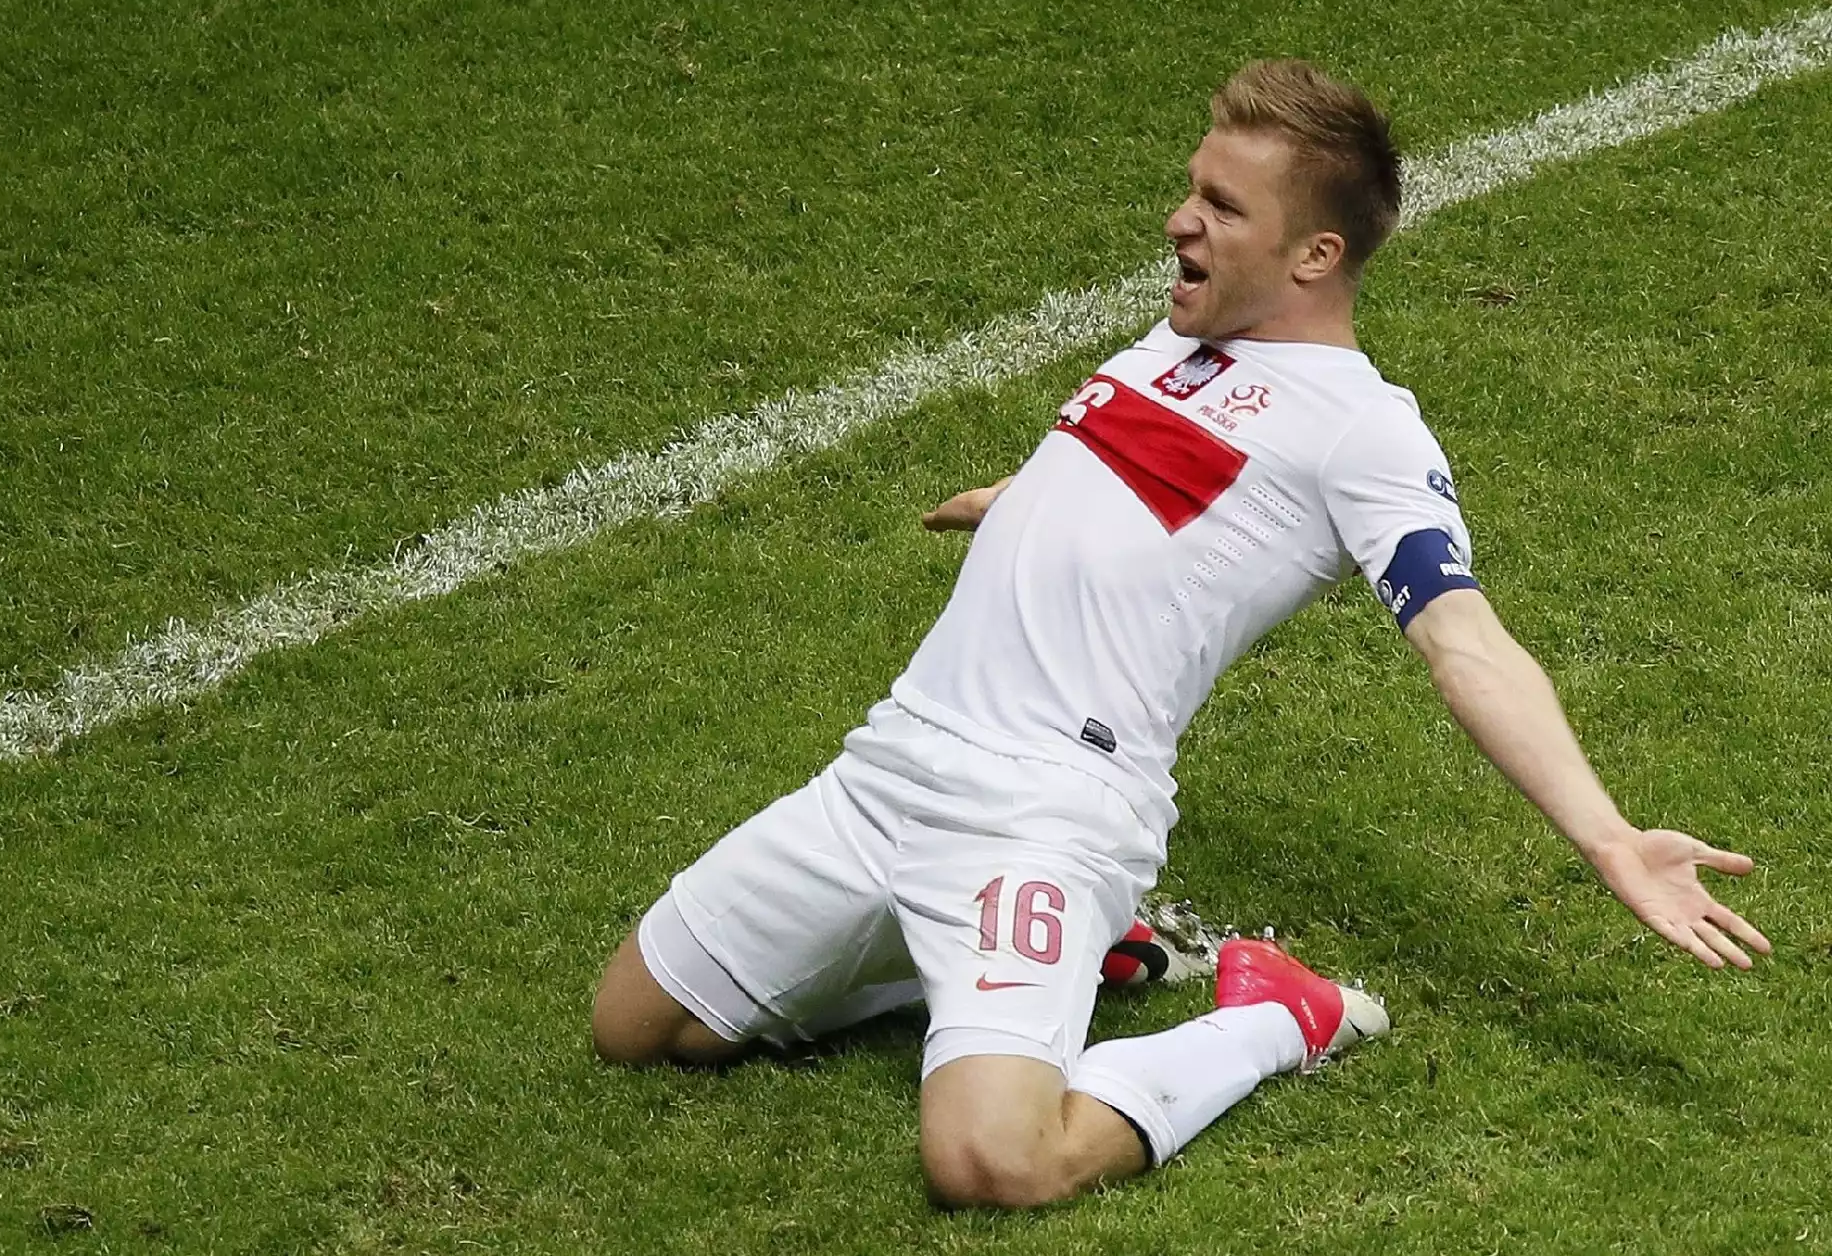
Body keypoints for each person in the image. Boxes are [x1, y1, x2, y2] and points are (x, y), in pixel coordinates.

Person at [589, 59, 1771, 1210]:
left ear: (1316, 256)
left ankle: (1277, 1015)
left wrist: (1608, 836)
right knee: (645, 1029)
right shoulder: (1178, 340)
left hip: (1045, 808)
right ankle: (1067, 957)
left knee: (993, 1163)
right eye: (1193, 188)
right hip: (895, 760)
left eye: (1222, 205)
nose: (1180, 220)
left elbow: (1467, 641)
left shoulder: (1363, 432)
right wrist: (1017, 502)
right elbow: (1145, 483)